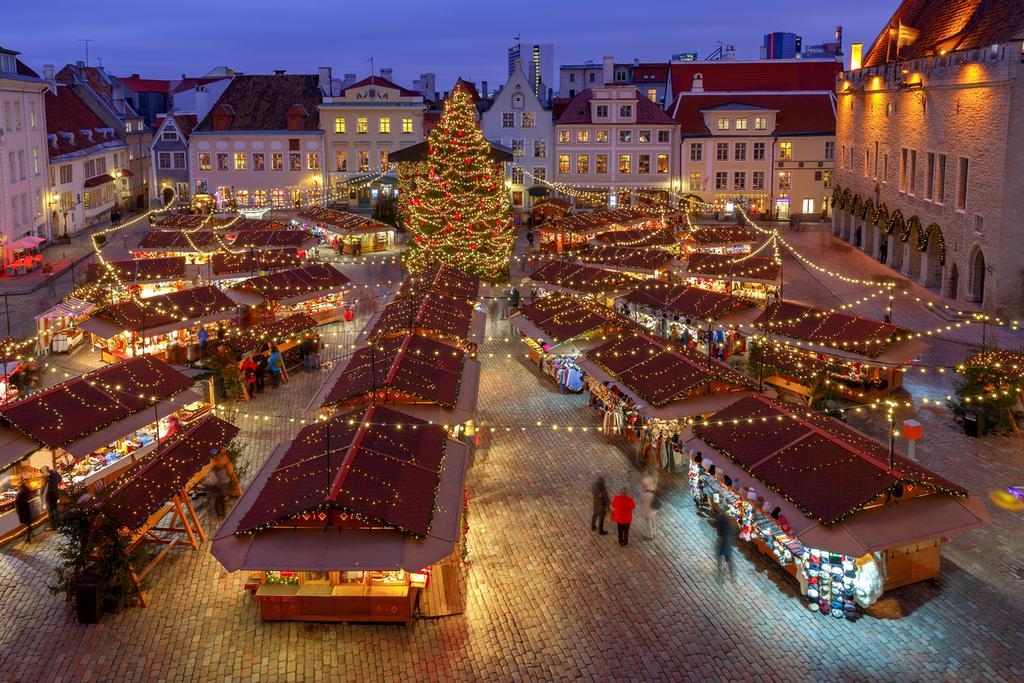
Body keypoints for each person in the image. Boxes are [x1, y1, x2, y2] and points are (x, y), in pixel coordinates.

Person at [715, 509, 737, 582]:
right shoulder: (731, 524)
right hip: (728, 543)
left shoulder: (721, 520)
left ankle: (721, 576)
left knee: (720, 560)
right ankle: (732, 576)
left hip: (722, 542)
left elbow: (715, 524)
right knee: (729, 560)